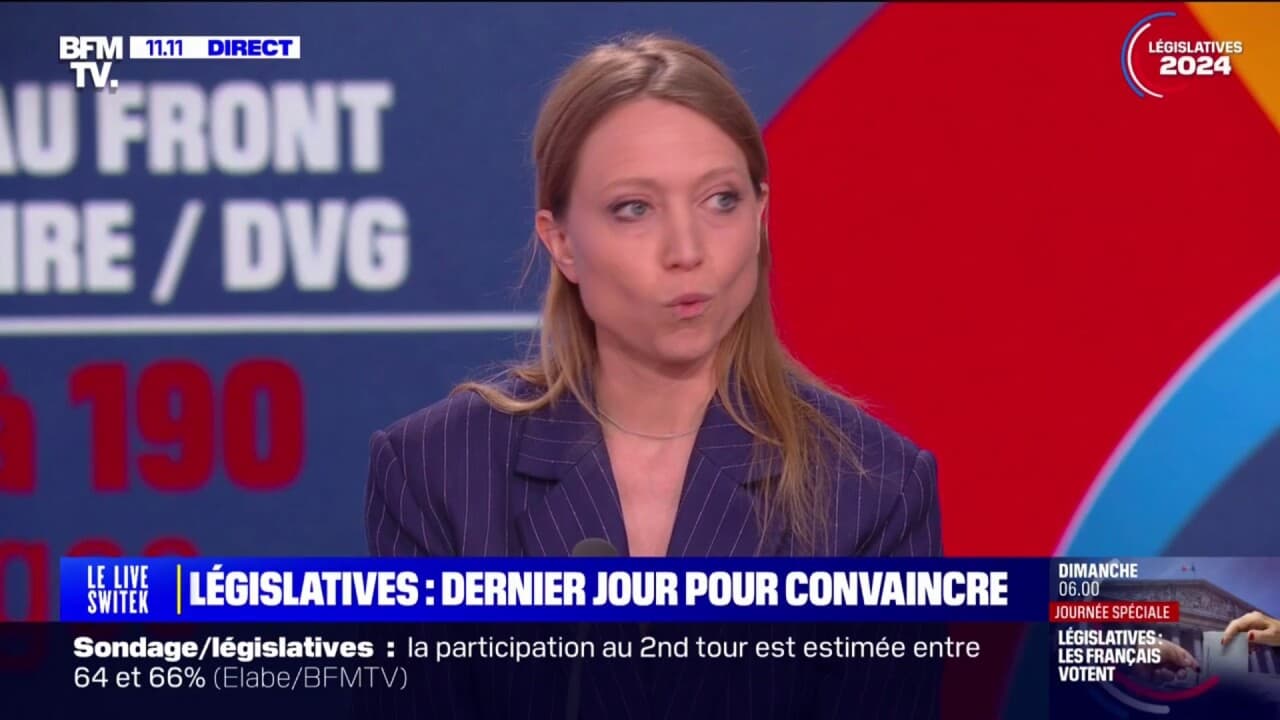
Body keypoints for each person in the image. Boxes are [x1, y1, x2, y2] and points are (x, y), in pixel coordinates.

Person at [358, 32, 944, 720]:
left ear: (761, 215)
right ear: (561, 242)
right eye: (635, 208)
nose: (687, 250)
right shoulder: (437, 472)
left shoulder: (872, 487)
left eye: (720, 200)